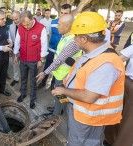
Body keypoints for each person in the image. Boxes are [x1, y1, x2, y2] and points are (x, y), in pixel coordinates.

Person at [51, 12, 125, 146]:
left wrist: (64, 90)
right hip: (79, 112)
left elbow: (89, 97)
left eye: (75, 36)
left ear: (84, 38)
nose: (74, 39)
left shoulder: (106, 65)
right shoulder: (92, 52)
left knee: (78, 143)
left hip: (87, 118)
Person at [37, 14, 81, 117]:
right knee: (58, 97)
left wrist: (44, 72)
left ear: (67, 26)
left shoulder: (73, 42)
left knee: (60, 97)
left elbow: (60, 60)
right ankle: (58, 109)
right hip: (59, 73)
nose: (57, 27)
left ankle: (55, 117)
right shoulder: (65, 36)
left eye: (59, 24)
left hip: (64, 76)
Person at [14, 11, 48, 109]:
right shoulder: (20, 27)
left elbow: (44, 44)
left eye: (28, 24)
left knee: (33, 81)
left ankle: (33, 99)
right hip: (23, 59)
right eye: (24, 25)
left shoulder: (41, 28)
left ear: (33, 19)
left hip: (34, 60)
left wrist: (41, 59)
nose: (26, 27)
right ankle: (23, 93)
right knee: (23, 78)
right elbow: (17, 41)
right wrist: (16, 54)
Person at [103, 33, 133, 146]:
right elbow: (120, 59)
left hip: (126, 82)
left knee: (122, 116)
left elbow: (120, 59)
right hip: (126, 81)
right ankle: (111, 140)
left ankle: (112, 140)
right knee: (119, 114)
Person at [38, 4, 71, 89]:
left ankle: (53, 85)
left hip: (62, 53)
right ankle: (43, 82)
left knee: (57, 69)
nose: (62, 15)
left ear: (69, 14)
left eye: (65, 13)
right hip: (51, 50)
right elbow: (49, 35)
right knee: (47, 66)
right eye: (61, 12)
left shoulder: (71, 25)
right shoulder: (53, 22)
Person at [9, 11, 21, 86]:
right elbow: (11, 38)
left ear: (20, 17)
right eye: (13, 19)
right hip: (15, 50)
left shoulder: (25, 25)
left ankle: (23, 80)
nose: (15, 21)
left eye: (16, 19)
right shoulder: (11, 26)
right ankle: (16, 78)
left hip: (24, 50)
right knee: (15, 64)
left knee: (23, 66)